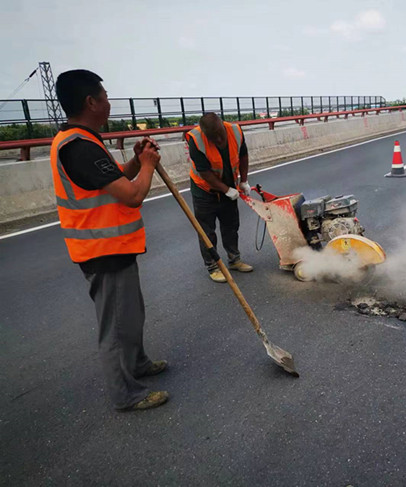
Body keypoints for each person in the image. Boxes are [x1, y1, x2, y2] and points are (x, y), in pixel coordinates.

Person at [51, 70, 168, 411]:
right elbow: (132, 195)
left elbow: (118, 179)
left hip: (114, 246)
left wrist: (135, 159)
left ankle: (139, 363)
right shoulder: (79, 148)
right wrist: (148, 164)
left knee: (131, 314)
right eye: (104, 96)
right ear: (91, 102)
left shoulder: (86, 141)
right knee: (116, 326)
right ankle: (126, 394)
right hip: (102, 249)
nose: (108, 102)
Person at [185, 113, 254, 282]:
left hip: (229, 186)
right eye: (213, 137)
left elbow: (243, 156)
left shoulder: (235, 131)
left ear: (223, 126)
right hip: (204, 192)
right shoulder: (196, 139)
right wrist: (226, 190)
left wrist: (244, 181)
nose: (217, 138)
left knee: (231, 225)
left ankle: (234, 260)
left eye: (219, 134)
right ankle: (213, 266)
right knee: (207, 231)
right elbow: (205, 173)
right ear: (205, 133)